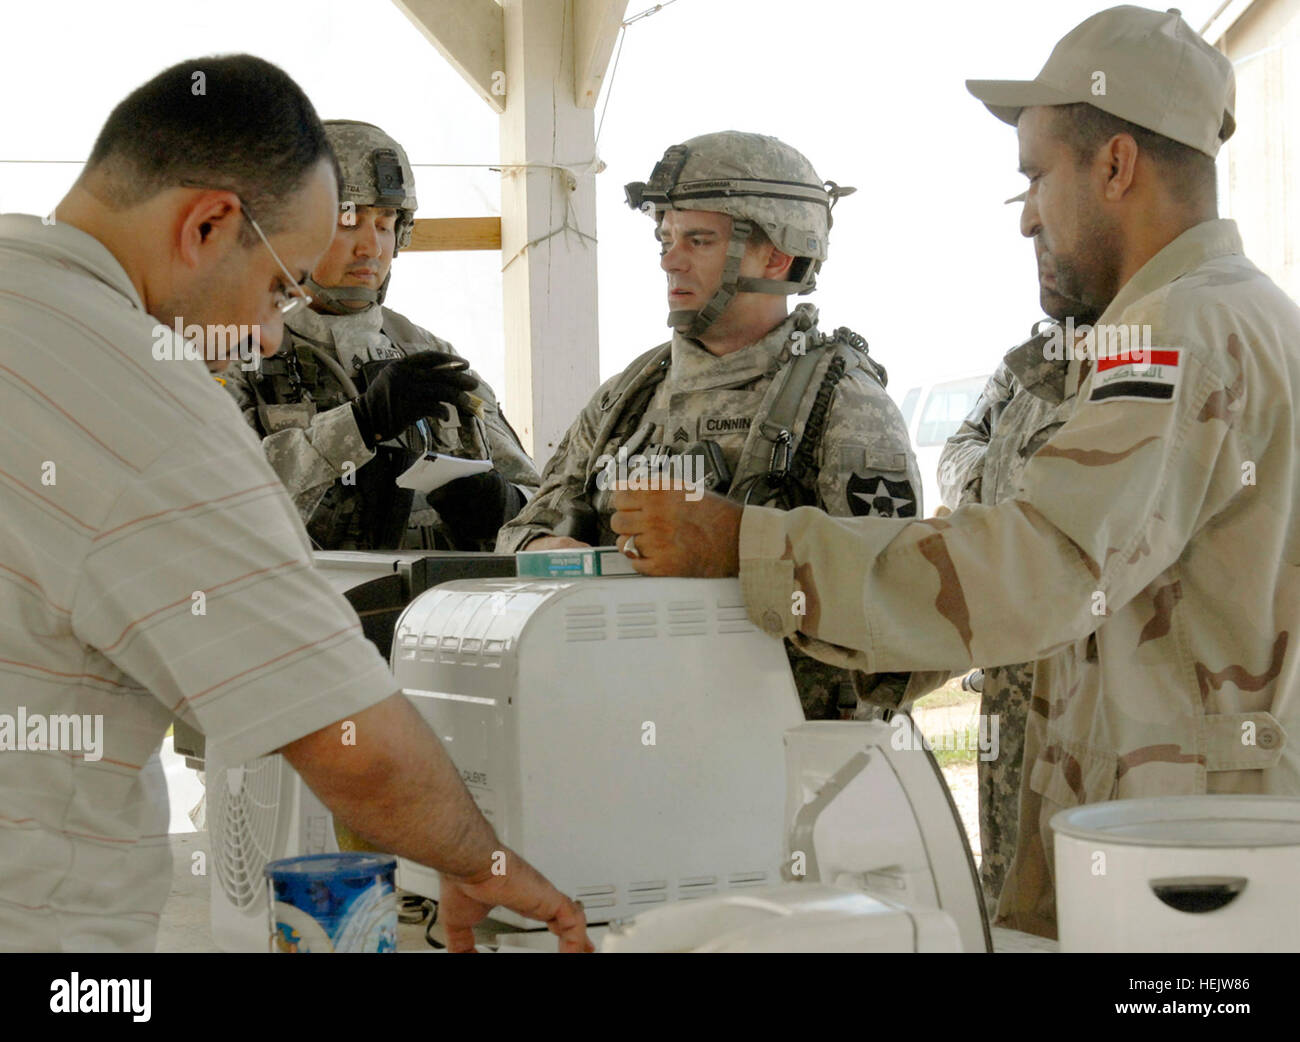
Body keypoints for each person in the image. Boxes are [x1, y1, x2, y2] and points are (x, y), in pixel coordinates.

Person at [608, 5, 1300, 938]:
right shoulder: (1243, 315)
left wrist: (746, 544)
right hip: (1200, 849)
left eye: (1036, 178)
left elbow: (1041, 564)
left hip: (1181, 874)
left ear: (1116, 165)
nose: (1026, 219)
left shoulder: (1179, 333)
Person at [0, 56, 588, 953]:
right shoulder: (151, 392)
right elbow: (345, 734)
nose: (272, 328)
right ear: (207, 224)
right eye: (280, 285)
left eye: (390, 227)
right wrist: (483, 864)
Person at [496, 131, 922, 721]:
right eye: (666, 238)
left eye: (698, 240)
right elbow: (520, 532)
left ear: (776, 254)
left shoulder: (843, 403)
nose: (670, 258)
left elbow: (896, 608)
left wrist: (736, 550)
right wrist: (549, 548)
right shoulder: (628, 395)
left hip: (785, 754)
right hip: (619, 734)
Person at [223, 120, 539, 552]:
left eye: (385, 222)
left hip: (437, 612)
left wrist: (501, 507)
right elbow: (215, 507)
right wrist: (359, 426)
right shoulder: (230, 355)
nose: (370, 248)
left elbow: (544, 510)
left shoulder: (429, 356)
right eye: (348, 222)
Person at [937, 316, 1095, 914]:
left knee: (1084, 892)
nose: (1031, 222)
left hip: (1084, 676)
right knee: (1006, 880)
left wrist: (1007, 505)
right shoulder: (1028, 361)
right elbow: (959, 448)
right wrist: (1002, 496)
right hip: (1009, 674)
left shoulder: (1152, 348)